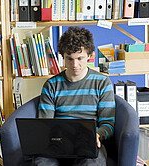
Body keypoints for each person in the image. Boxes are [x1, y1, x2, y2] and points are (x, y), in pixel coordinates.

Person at [36, 26, 115, 166]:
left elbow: (108, 124)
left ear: (90, 56)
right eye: (69, 59)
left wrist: (96, 135)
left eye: (80, 58)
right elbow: (44, 124)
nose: (75, 64)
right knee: (41, 163)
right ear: (63, 57)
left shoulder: (102, 83)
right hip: (58, 143)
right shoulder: (51, 85)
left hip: (89, 142)